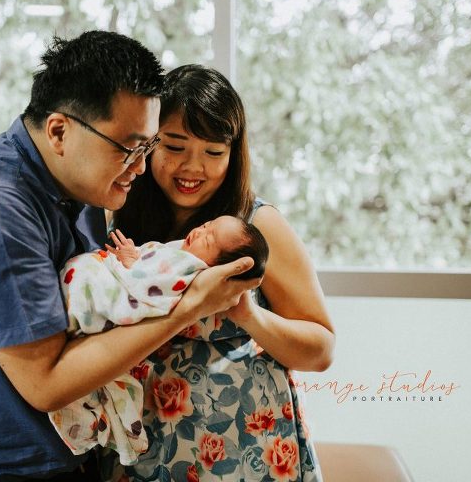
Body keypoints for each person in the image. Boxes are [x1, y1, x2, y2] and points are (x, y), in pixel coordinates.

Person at [0, 32, 261, 482]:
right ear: (59, 130)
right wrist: (188, 306)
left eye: (148, 147)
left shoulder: (83, 184)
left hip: (69, 455)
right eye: (129, 147)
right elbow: (46, 383)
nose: (139, 167)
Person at [101, 64, 336, 482]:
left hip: (247, 451)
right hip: (146, 451)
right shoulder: (120, 220)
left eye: (214, 152)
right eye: (174, 147)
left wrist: (249, 315)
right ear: (148, 142)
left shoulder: (255, 225)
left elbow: (320, 350)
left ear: (234, 152)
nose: (193, 168)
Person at [50, 217, 268, 465]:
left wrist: (132, 265)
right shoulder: (176, 252)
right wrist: (134, 257)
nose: (200, 232)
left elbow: (150, 288)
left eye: (209, 239)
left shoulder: (191, 270)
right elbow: (150, 269)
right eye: (207, 225)